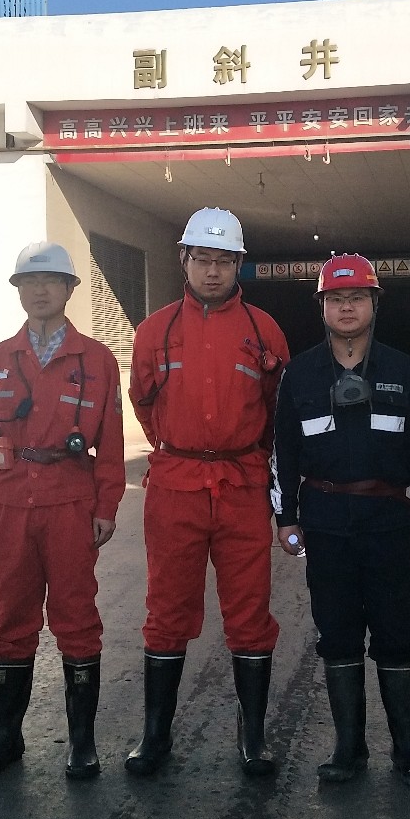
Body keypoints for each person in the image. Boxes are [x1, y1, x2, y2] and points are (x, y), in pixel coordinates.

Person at [126, 209, 290, 777]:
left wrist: (247, 458)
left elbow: (277, 410)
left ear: (239, 263)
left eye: (224, 261)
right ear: (184, 260)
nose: (213, 271)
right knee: (166, 610)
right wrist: (182, 448)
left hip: (243, 485)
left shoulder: (264, 330)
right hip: (176, 486)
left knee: (250, 611)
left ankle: (253, 736)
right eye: (203, 260)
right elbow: (144, 402)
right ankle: (155, 736)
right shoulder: (155, 331)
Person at [271, 254, 410, 788]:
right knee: (338, 634)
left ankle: (408, 751)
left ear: (374, 304)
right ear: (322, 306)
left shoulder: (403, 370)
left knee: (398, 632)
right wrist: (286, 516)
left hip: (388, 521)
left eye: (357, 298)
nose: (347, 308)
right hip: (325, 524)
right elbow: (283, 451)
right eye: (336, 298)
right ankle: (348, 749)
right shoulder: (299, 374)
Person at [0, 241, 126, 782]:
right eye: (29, 282)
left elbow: (111, 443)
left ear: (70, 289)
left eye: (51, 280)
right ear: (18, 290)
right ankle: (5, 740)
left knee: (77, 619)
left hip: (70, 504)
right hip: (9, 503)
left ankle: (82, 744)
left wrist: (107, 505)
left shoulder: (97, 361)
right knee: (11, 619)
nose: (39, 290)